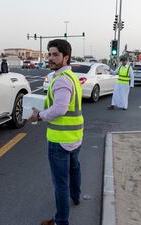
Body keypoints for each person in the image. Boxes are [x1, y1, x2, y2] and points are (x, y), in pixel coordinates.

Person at [29, 39, 83, 225]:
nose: (50, 58)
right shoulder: (72, 77)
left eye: (55, 55)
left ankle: (61, 221)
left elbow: (60, 108)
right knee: (74, 169)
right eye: (49, 54)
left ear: (66, 57)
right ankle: (76, 196)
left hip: (60, 139)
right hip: (75, 136)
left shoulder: (61, 80)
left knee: (61, 183)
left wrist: (40, 116)